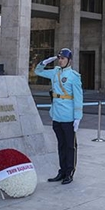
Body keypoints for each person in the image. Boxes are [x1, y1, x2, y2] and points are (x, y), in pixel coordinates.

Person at [34, 48, 83, 185]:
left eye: (63, 58)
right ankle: (62, 171)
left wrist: (77, 117)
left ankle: (69, 172)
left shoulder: (74, 76)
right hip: (56, 115)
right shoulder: (55, 72)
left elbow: (78, 98)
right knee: (61, 145)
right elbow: (37, 71)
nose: (61, 61)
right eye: (59, 58)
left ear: (69, 60)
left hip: (68, 116)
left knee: (70, 146)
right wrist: (44, 62)